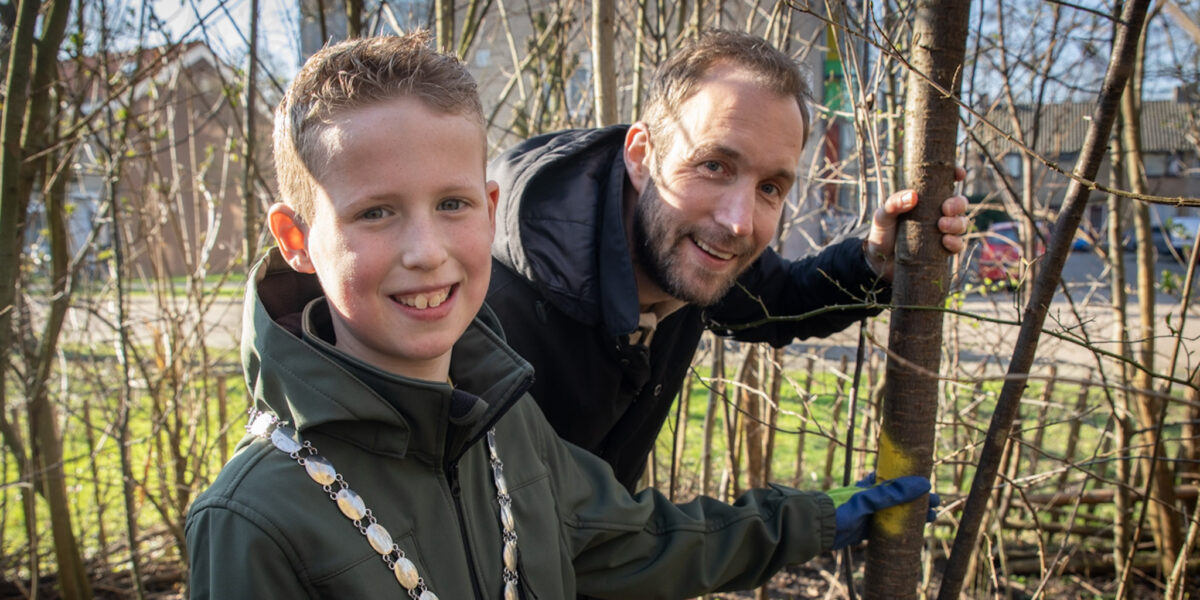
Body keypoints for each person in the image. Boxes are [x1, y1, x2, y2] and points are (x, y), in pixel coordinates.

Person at [184, 33, 937, 599]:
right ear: (296, 241)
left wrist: (823, 517)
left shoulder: (506, 427)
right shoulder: (257, 523)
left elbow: (635, 537)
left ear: (484, 207)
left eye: (451, 205)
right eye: (375, 213)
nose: (426, 253)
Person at [488, 29, 970, 491]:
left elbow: (781, 299)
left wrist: (872, 263)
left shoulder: (681, 251)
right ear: (641, 155)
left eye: (770, 189)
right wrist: (815, 522)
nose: (739, 222)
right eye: (714, 166)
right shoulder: (489, 313)